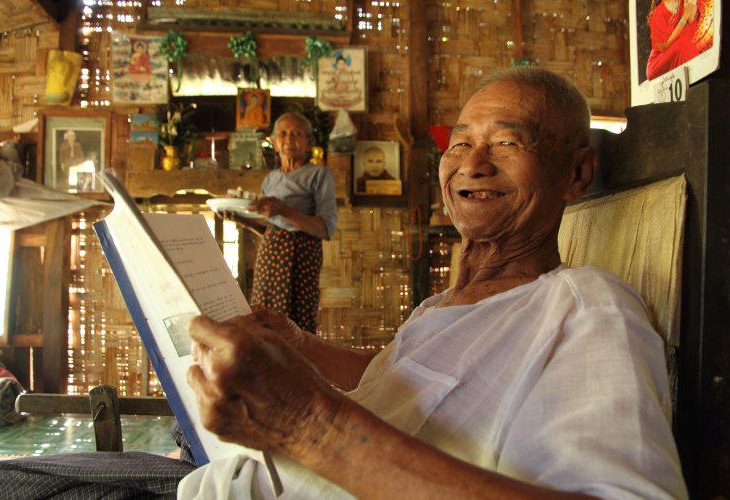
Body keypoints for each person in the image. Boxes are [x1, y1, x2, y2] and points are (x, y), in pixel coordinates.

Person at [179, 67, 688, 499]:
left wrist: (310, 425)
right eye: (461, 142)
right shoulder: (439, 307)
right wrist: (299, 343)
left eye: (507, 143)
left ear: (577, 173)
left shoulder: (586, 309)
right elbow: (396, 380)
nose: (472, 163)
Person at [233, 111, 337, 333]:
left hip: (302, 256)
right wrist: (243, 219)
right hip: (271, 254)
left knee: (297, 324)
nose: (289, 139)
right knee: (264, 318)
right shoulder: (270, 179)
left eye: (296, 133)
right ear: (274, 142)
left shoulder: (319, 175)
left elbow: (325, 228)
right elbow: (273, 226)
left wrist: (283, 209)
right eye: (283, 133)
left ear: (309, 142)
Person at [646, 0, 700, 80]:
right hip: (657, 63)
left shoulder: (682, 2)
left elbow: (691, 23)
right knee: (683, 44)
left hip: (682, 49)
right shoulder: (658, 13)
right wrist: (685, 15)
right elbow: (665, 45)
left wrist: (691, 6)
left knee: (686, 45)